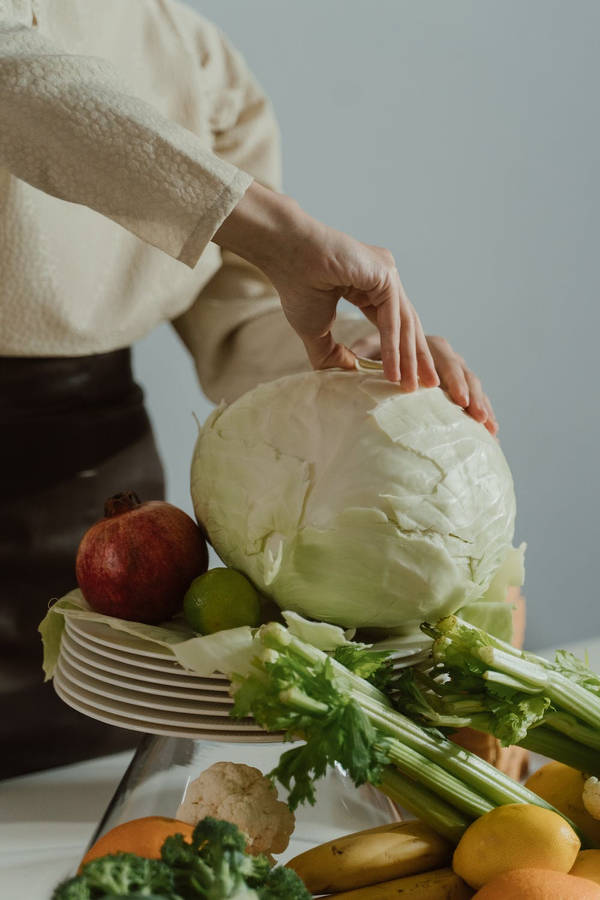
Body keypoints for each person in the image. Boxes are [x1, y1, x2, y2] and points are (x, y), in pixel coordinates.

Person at [0, 0, 509, 779]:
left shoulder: (195, 58)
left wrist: (359, 365)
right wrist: (268, 224)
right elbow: (21, 79)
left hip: (98, 512)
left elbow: (240, 315)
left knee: (93, 791)